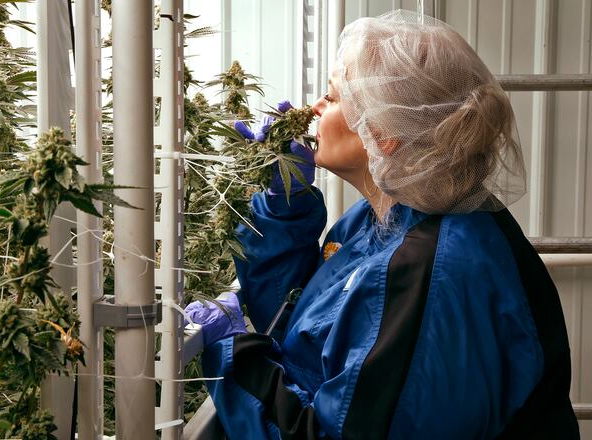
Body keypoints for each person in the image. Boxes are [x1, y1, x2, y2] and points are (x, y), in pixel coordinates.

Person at [184, 10, 579, 439]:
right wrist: (285, 208)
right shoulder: (388, 217)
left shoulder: (436, 274)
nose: (315, 107)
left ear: (384, 132)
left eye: (333, 98)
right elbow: (299, 324)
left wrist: (231, 353)